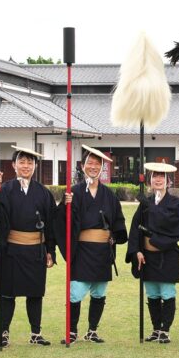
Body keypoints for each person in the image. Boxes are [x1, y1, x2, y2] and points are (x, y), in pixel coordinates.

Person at [55, 145, 127, 343]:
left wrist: (115, 237)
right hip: (82, 251)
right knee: (76, 291)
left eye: (98, 163)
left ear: (102, 167)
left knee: (99, 292)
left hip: (102, 252)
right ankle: (71, 331)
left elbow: (118, 222)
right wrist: (64, 204)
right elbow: (62, 221)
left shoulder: (110, 195)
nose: (93, 167)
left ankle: (92, 330)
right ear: (82, 165)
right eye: (90, 163)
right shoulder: (74, 192)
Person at [0, 146, 57, 348]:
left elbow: (51, 224)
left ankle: (36, 333)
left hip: (36, 249)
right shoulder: (5, 189)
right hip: (11, 249)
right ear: (14, 165)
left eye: (30, 162)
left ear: (35, 166)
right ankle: (4, 334)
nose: (25, 166)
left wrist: (50, 251)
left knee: (35, 293)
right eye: (22, 162)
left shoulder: (43, 193)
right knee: (7, 293)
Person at [126, 162, 179, 344]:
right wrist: (136, 251)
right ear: (150, 180)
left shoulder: (174, 203)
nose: (158, 179)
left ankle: (165, 330)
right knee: (152, 293)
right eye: (155, 176)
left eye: (162, 177)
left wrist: (153, 211)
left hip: (166, 254)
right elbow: (135, 228)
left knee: (167, 292)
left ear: (168, 181)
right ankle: (156, 328)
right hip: (147, 256)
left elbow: (176, 229)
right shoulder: (146, 202)